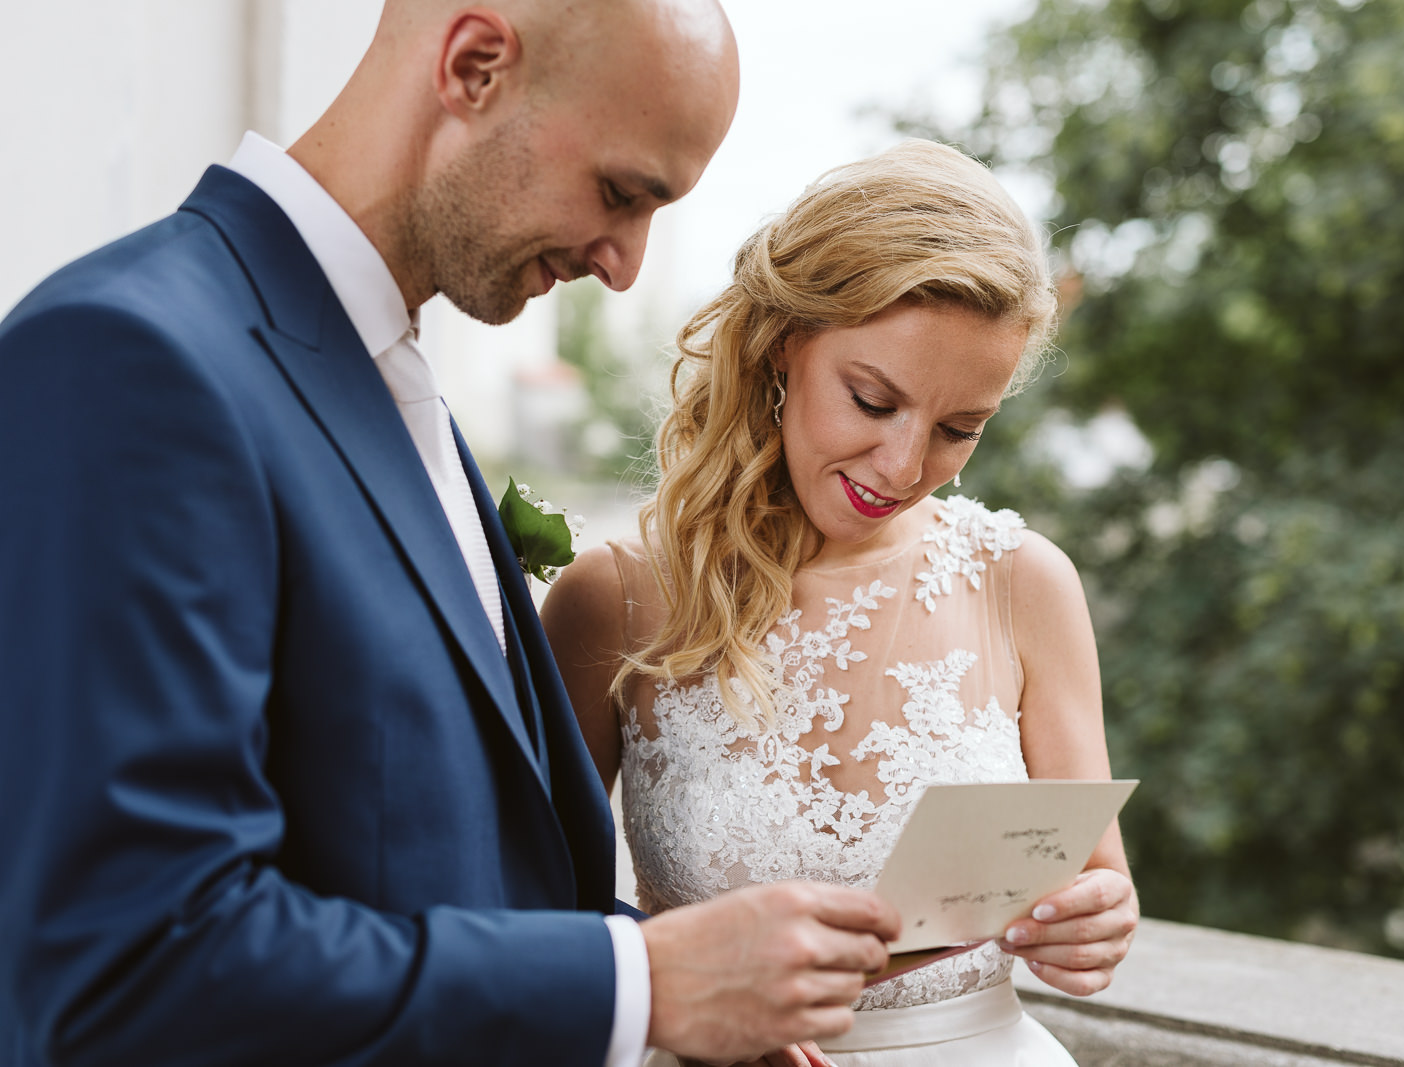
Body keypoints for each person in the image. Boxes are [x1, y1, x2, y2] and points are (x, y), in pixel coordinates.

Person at [0, 2, 901, 1065]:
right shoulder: (131, 359)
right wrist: (641, 986)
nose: (625, 263)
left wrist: (688, 977)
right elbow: (128, 965)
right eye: (622, 192)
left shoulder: (389, 375)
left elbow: (447, 860)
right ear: (475, 67)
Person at [541, 139, 1140, 1066]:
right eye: (871, 401)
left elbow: (1096, 877)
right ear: (788, 343)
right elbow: (533, 914)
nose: (903, 468)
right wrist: (683, 1008)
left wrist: (1096, 923)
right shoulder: (614, 599)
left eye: (957, 430)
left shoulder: (1025, 582)